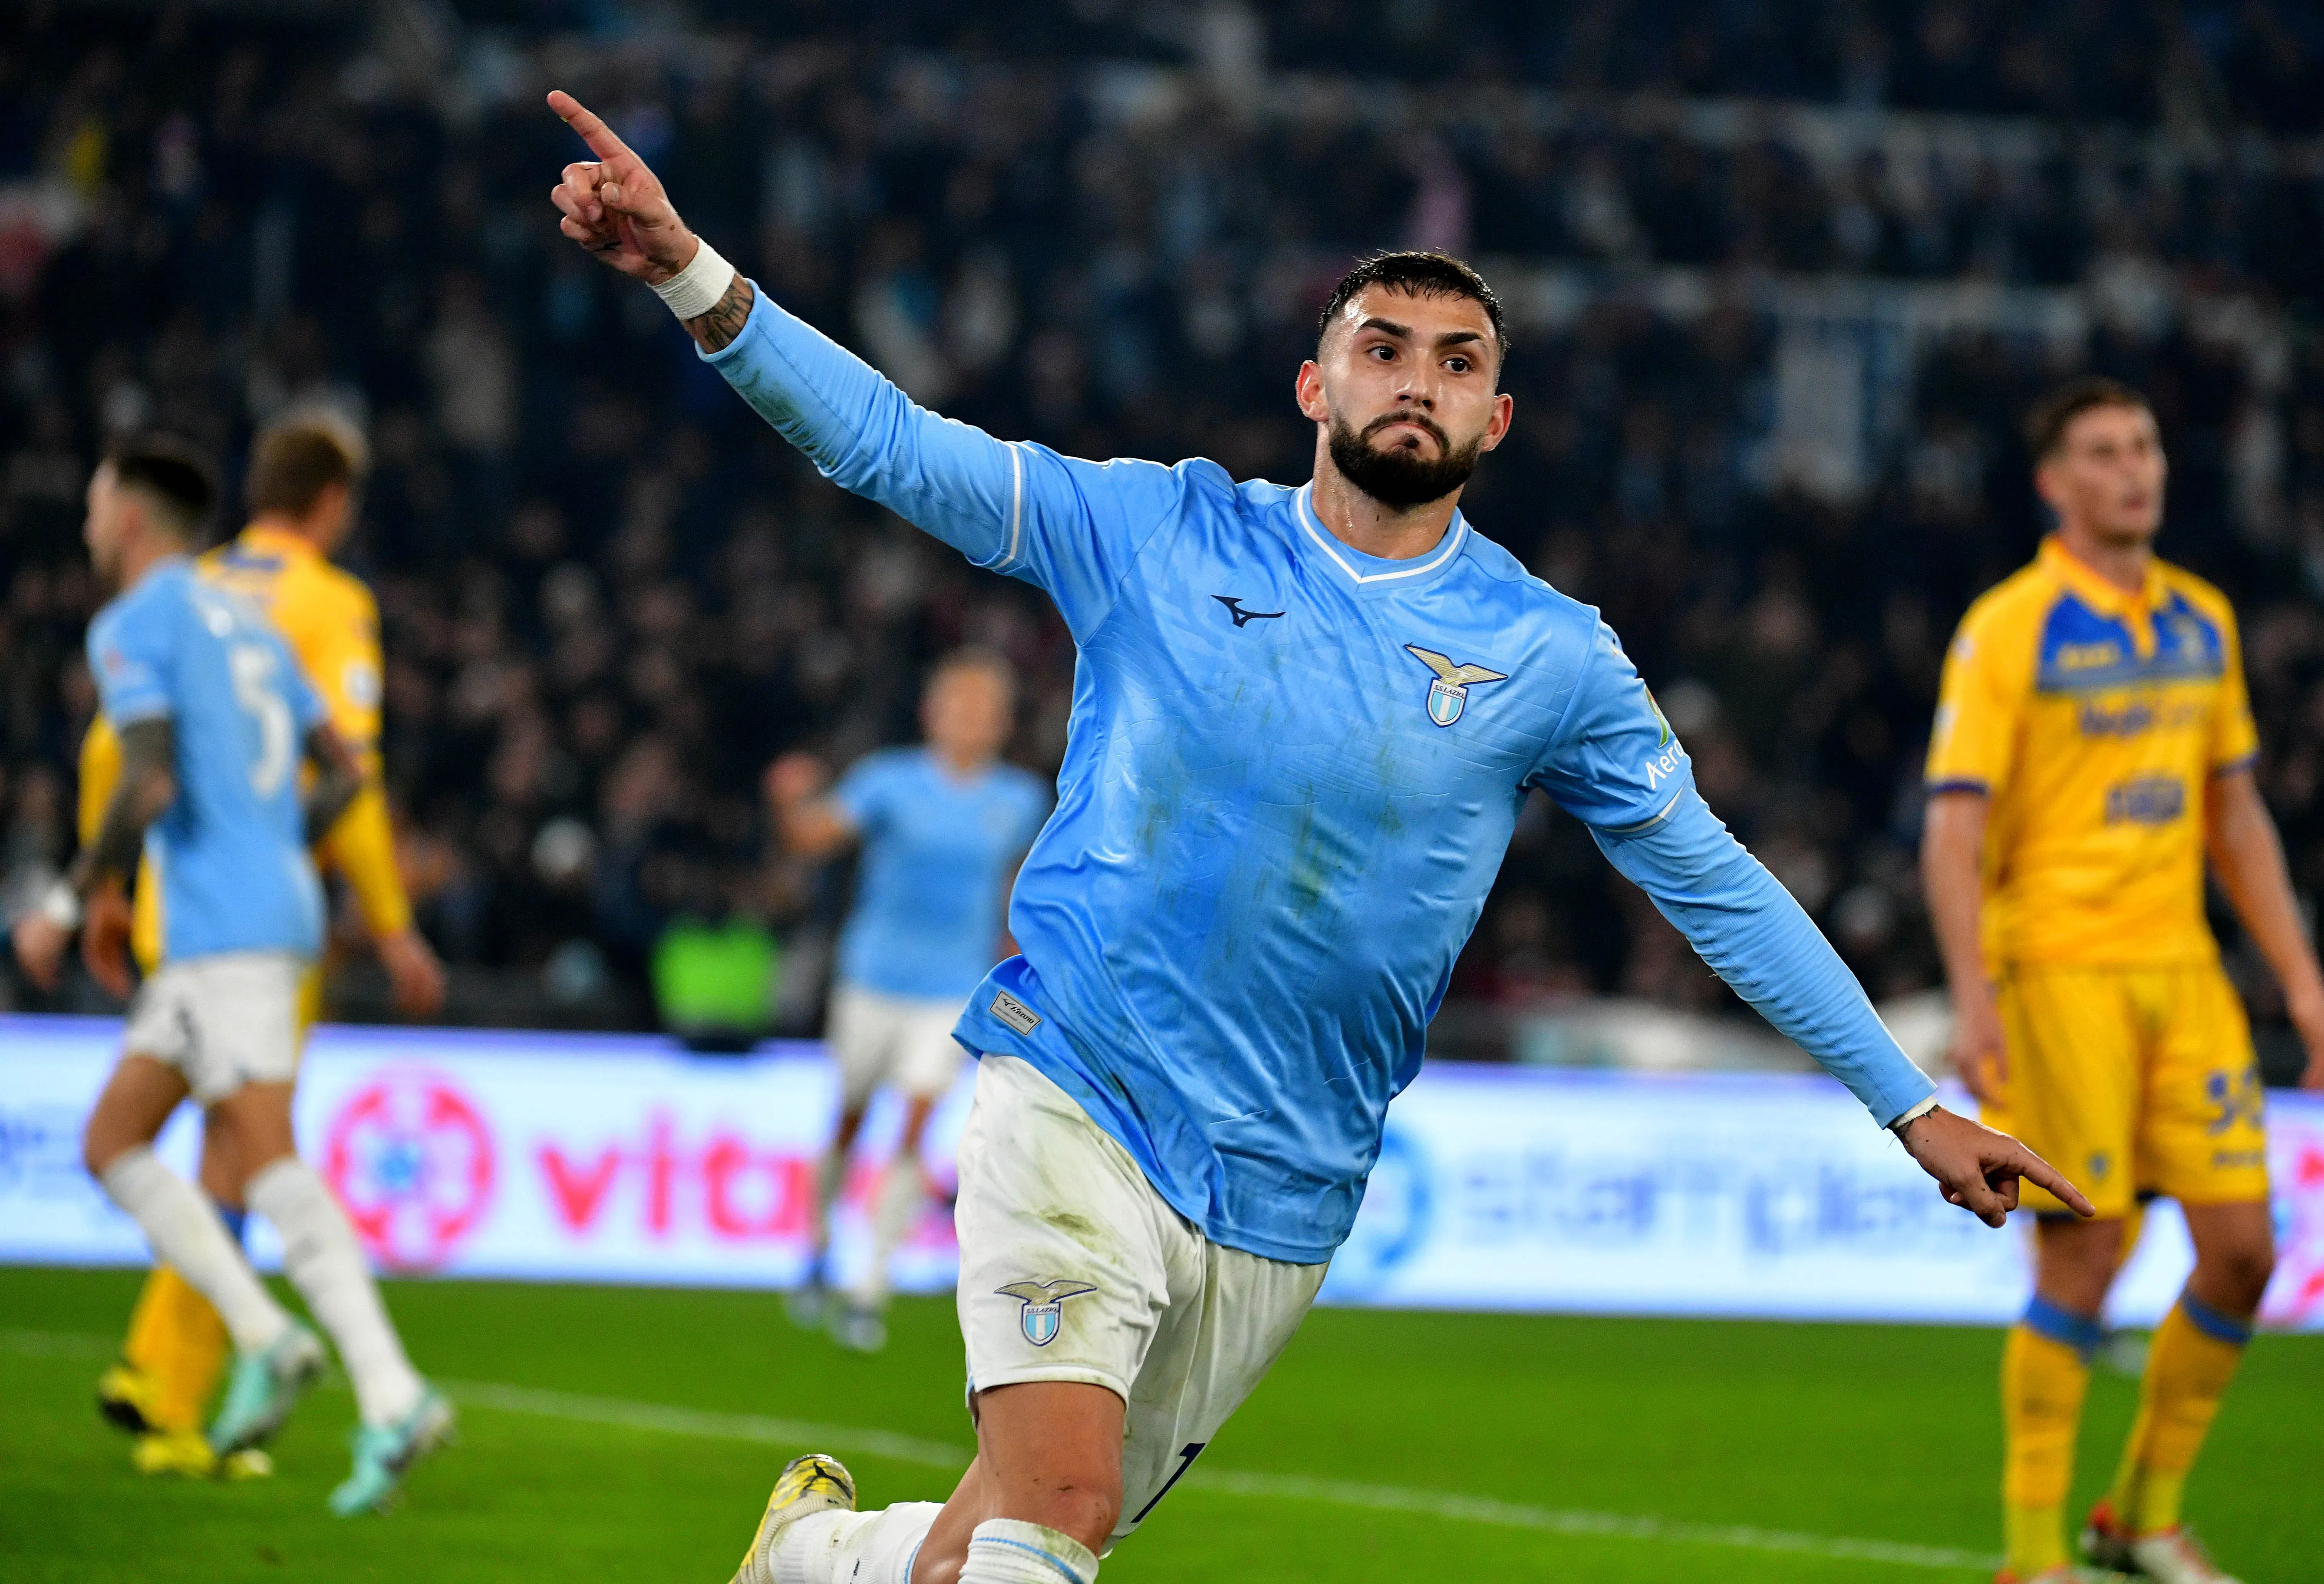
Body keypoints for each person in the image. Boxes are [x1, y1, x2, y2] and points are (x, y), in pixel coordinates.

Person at [546, 90, 2088, 1584]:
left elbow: (1716, 885)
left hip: (1291, 1177)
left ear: (1497, 416)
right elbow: (891, 444)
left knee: (997, 1539)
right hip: (1079, 1080)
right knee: (1059, 1509)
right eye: (1382, 347)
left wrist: (1909, 1104)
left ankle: (816, 1554)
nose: (1418, 380)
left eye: (1458, 361)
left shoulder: (1551, 656)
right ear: (1314, 386)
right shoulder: (1156, 530)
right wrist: (691, 271)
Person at [1921, 378, 2324, 1584]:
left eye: (2146, 447)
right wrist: (1975, 997)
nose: (2134, 470)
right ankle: (2033, 1557)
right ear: (2053, 484)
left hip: (2184, 972)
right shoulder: (2010, 627)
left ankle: (2141, 1519)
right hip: (2059, 967)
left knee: (2245, 1252)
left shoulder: (2202, 620)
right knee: (2085, 1252)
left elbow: (2236, 813)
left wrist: (2305, 983)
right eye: (2104, 453)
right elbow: (1955, 828)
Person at [10, 435, 454, 1516]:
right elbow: (347, 768)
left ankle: (392, 1396)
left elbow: (145, 781)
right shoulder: (251, 622)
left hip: (225, 935)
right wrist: (276, 838)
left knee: (265, 1164)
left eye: (95, 503)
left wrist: (68, 903)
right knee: (112, 1143)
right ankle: (265, 1335)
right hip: (255, 921)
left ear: (128, 519)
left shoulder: (136, 622)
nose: (86, 523)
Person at [770, 650, 1052, 1351]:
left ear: (1002, 723)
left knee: (916, 1125)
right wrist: (787, 800)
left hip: (952, 989)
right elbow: (812, 839)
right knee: (851, 1119)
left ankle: (870, 1287)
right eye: (959, 706)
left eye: (984, 711)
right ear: (933, 713)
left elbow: (1024, 896)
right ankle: (818, 1246)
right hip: (872, 978)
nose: (970, 721)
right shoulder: (888, 782)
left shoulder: (1019, 800)